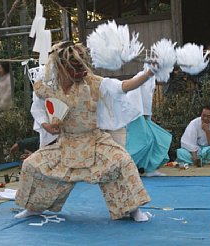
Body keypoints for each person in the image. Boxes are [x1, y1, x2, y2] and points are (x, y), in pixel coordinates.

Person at [15, 41, 152, 222]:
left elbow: (123, 86)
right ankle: (33, 207)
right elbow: (39, 108)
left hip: (94, 141)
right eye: (73, 69)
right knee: (31, 165)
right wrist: (45, 125)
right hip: (65, 144)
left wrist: (149, 72)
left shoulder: (93, 83)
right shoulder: (48, 86)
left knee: (122, 161)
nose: (79, 73)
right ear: (62, 67)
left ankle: (133, 210)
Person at [125, 71, 172, 176]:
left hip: (141, 112)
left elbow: (146, 98)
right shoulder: (144, 76)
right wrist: (145, 115)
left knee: (157, 138)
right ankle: (126, 166)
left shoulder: (150, 77)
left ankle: (149, 168)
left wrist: (147, 116)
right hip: (135, 113)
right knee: (144, 141)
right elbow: (141, 97)